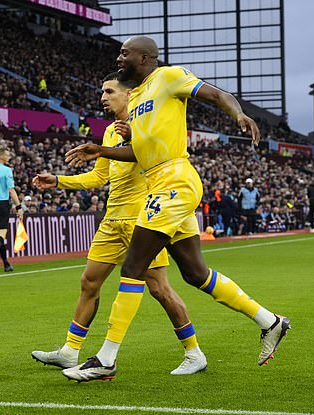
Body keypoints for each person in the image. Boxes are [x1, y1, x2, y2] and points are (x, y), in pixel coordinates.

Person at [64, 36, 289, 380]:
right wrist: (103, 150)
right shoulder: (136, 96)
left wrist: (238, 113)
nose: (119, 56)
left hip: (175, 180)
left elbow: (216, 94)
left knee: (134, 265)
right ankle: (270, 322)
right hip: (160, 184)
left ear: (145, 57)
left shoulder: (168, 77)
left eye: (125, 52)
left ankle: (106, 358)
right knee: (195, 273)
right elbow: (140, 154)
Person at [30, 74, 206, 377]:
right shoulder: (109, 131)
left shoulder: (147, 125)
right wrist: (58, 180)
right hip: (112, 220)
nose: (103, 97)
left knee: (160, 289)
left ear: (129, 95)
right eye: (101, 91)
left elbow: (153, 157)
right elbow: (99, 177)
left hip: (144, 220)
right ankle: (70, 351)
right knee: (89, 282)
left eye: (109, 91)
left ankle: (194, 353)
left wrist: (132, 138)